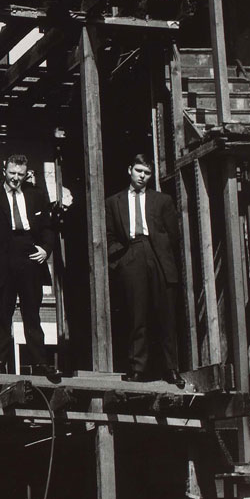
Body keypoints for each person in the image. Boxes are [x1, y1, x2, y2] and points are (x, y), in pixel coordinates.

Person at [0, 154, 59, 379]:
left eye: (20, 175)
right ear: (5, 170)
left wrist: (45, 249)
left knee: (32, 313)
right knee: (3, 314)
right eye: (12, 173)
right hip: (2, 258)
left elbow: (48, 227)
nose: (15, 178)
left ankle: (42, 364)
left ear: (26, 174)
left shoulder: (36, 195)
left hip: (29, 256)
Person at [105, 154, 183, 385]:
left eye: (147, 173)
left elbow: (174, 235)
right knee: (137, 315)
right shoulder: (114, 202)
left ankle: (170, 369)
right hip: (132, 254)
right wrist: (120, 259)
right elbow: (108, 235)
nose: (142, 176)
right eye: (139, 170)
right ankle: (138, 368)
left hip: (158, 256)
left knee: (165, 315)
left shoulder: (162, 200)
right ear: (130, 169)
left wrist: (165, 256)